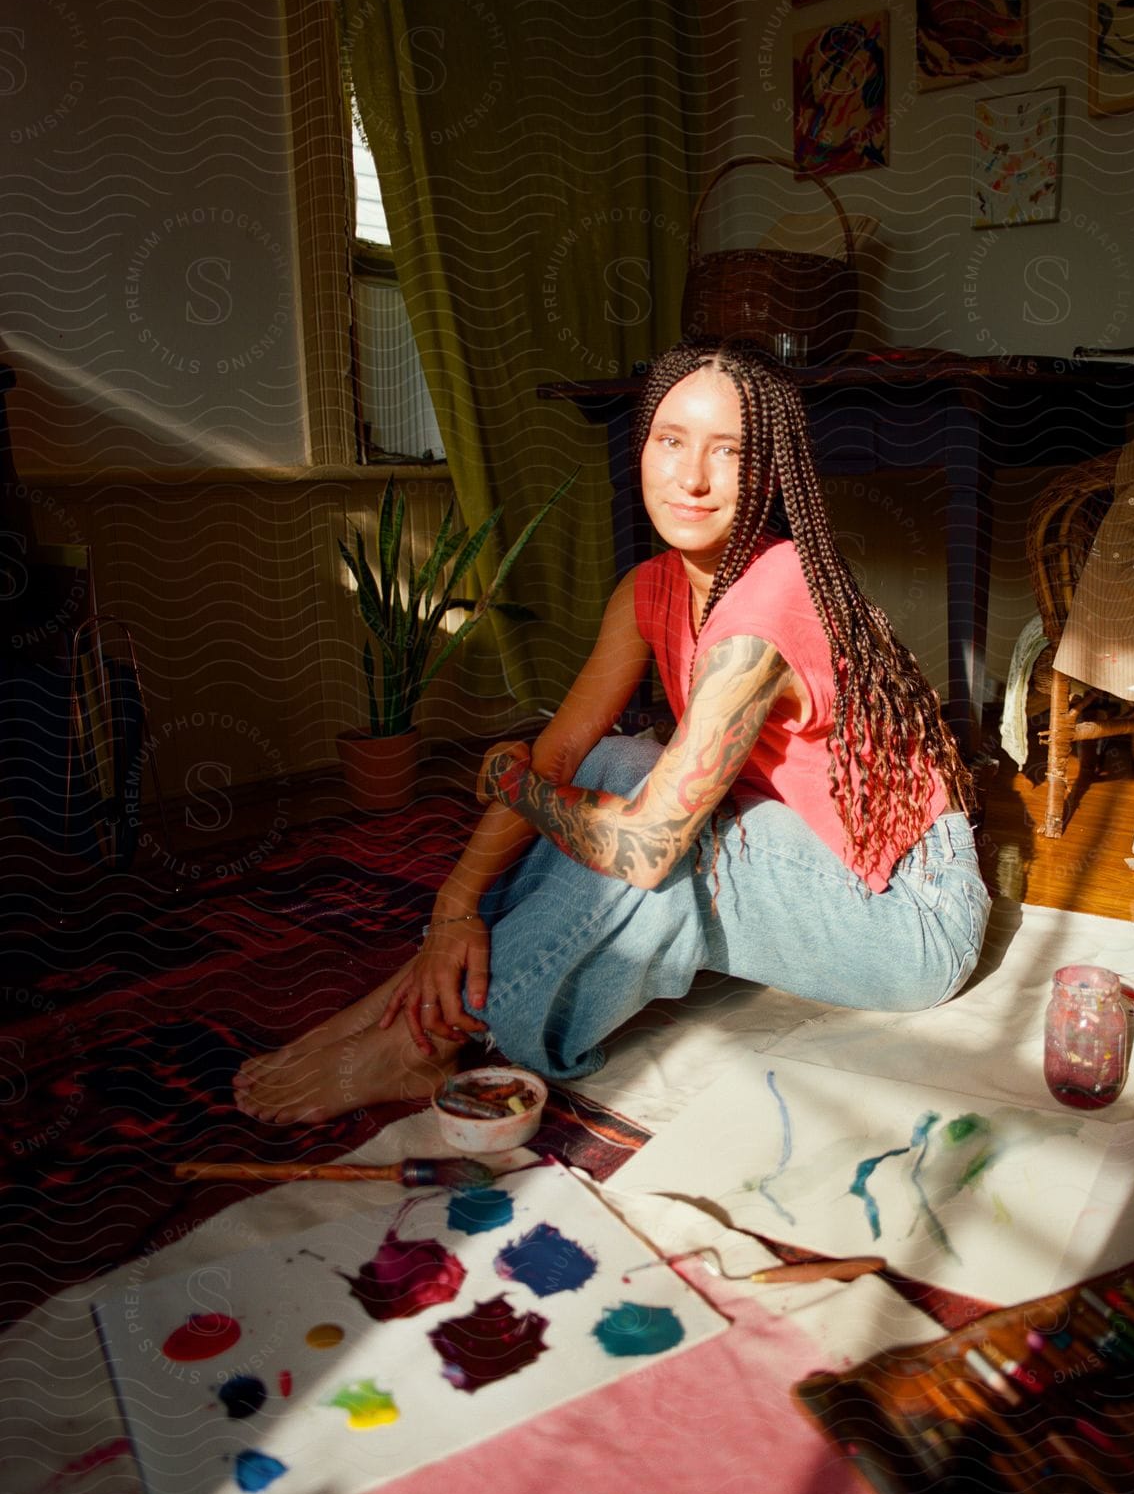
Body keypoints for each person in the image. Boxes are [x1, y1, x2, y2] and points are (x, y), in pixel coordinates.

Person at [235, 340, 991, 1124]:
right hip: (805, 855)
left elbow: (645, 842)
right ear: (644, 449)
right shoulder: (649, 589)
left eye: (727, 452)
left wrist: (516, 783)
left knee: (663, 850)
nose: (691, 478)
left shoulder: (770, 605)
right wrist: (454, 908)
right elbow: (563, 753)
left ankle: (430, 1037)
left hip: (909, 914)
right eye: (671, 441)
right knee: (615, 760)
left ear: (768, 473)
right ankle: (415, 991)